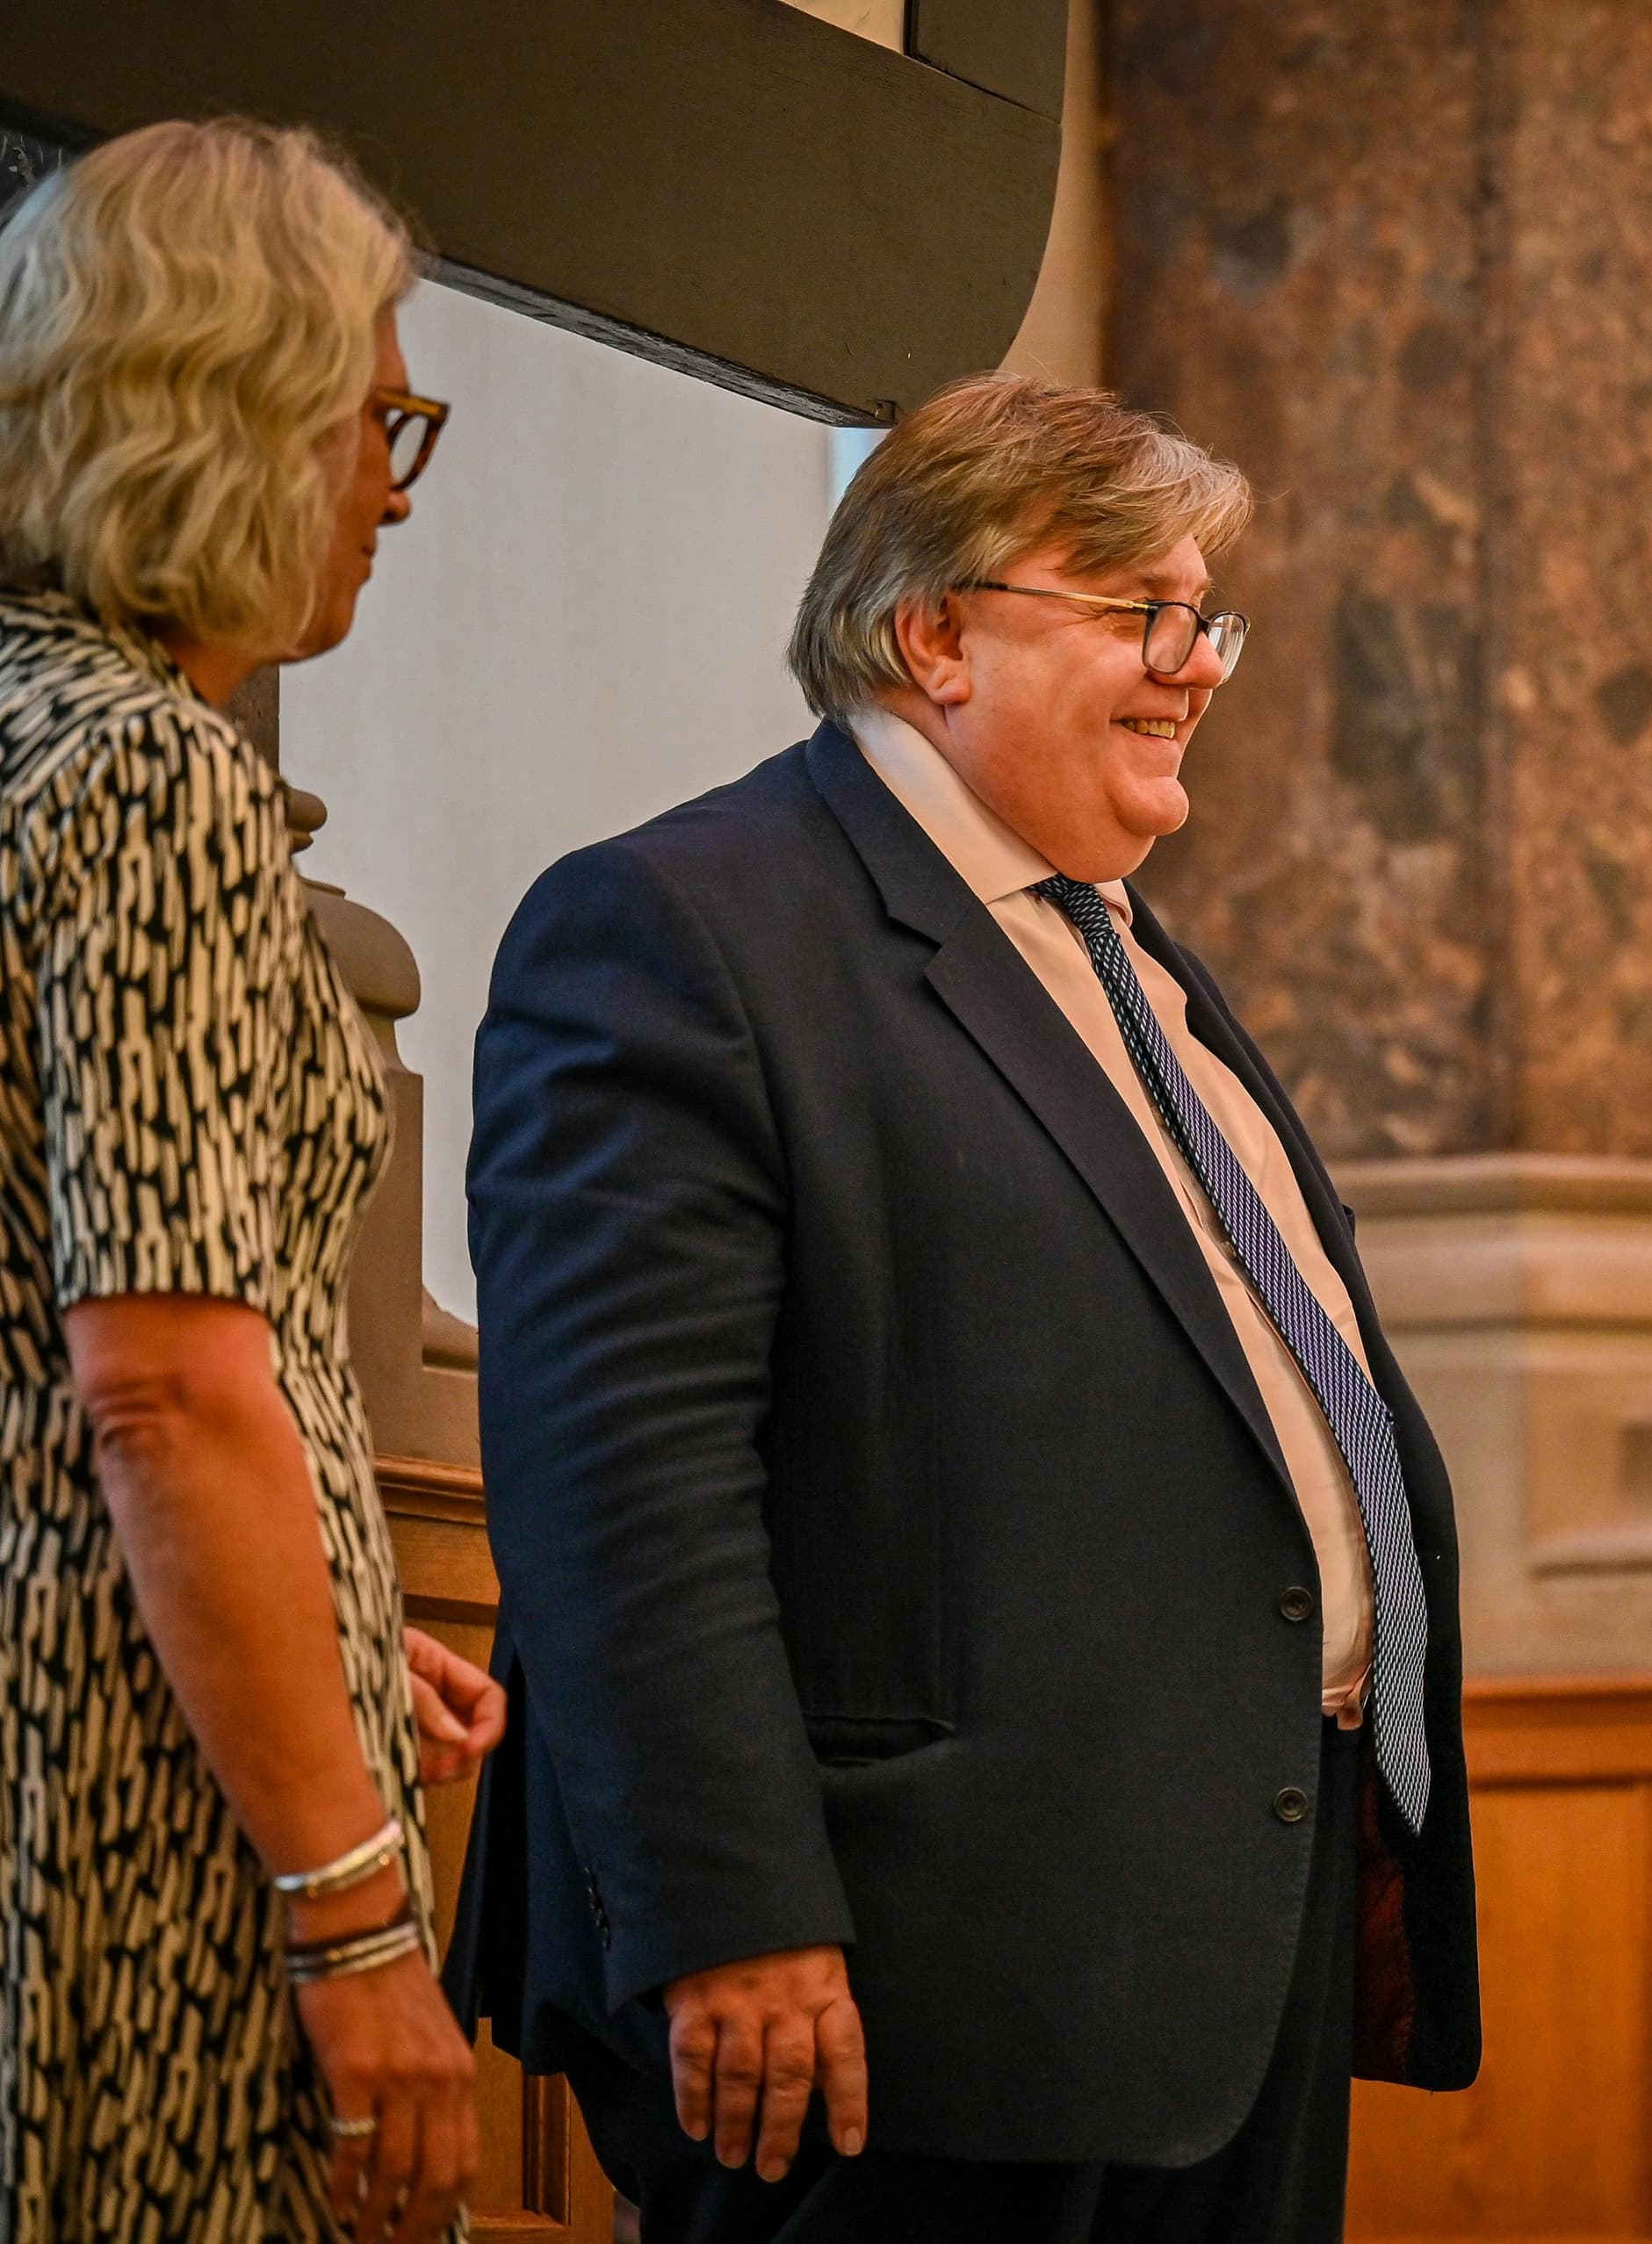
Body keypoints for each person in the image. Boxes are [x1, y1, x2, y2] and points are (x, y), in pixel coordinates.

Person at [458, 372, 1481, 2242]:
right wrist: (734, 1912)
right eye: (1137, 616)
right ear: (934, 632)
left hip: (1219, 1963)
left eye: (1207, 620)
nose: (1196, 668)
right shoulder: (687, 930)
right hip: (897, 1992)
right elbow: (619, 1489)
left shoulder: (1129, 961)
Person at [0, 119, 501, 2243]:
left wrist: (330, 1624)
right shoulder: (147, 776)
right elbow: (167, 1391)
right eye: (377, 414)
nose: (391, 485)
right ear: (234, 412)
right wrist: (358, 1926)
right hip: (142, 1793)